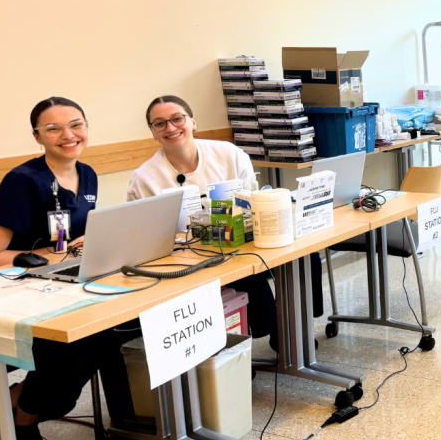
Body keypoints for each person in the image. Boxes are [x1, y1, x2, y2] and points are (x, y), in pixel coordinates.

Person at [0, 97, 134, 440]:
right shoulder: (23, 182)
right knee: (73, 358)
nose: (68, 135)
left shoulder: (87, 173)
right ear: (37, 136)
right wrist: (51, 257)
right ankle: (22, 418)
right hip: (22, 292)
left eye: (76, 124)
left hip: (72, 283)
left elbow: (73, 234)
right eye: (53, 128)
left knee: (112, 336)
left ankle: (126, 422)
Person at [127, 96, 323, 343]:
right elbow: (143, 236)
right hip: (190, 258)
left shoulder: (228, 154)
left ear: (193, 121)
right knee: (247, 274)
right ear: (153, 132)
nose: (170, 128)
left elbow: (253, 200)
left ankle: (296, 327)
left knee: (305, 256)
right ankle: (272, 336)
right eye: (159, 123)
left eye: (177, 118)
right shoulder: (145, 178)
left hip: (243, 240)